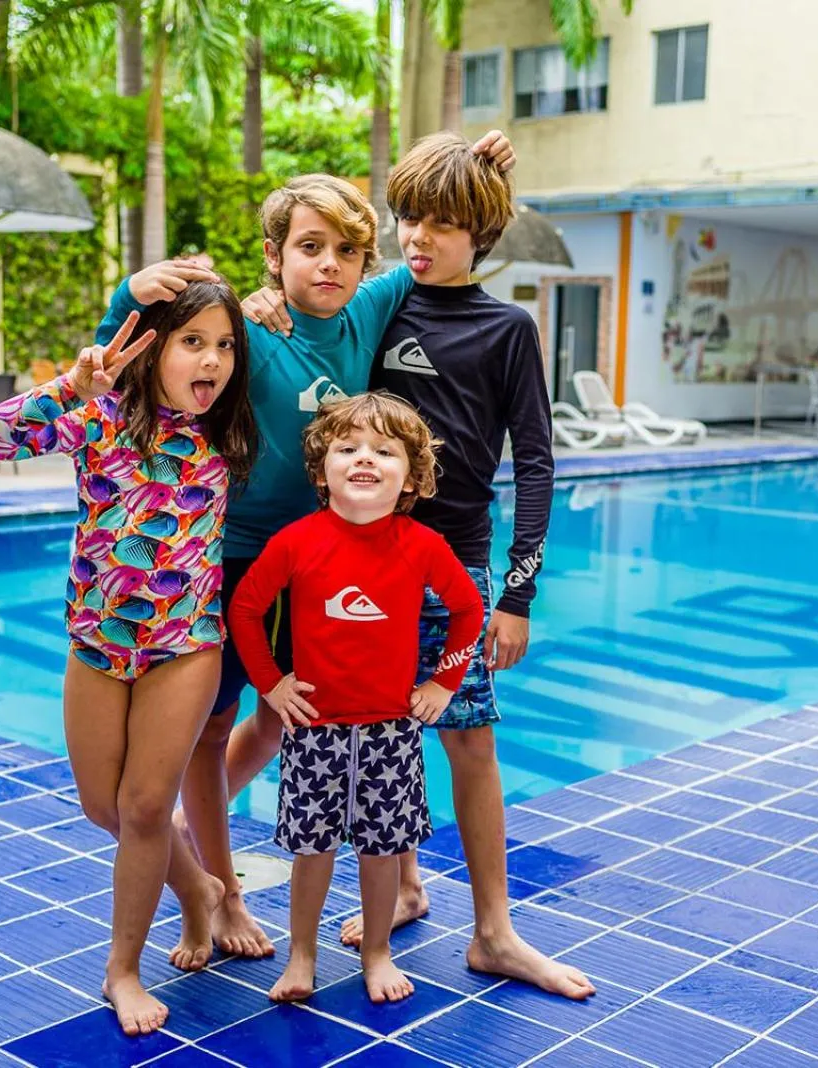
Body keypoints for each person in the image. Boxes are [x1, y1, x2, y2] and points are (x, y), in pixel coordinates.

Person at [94, 133, 515, 961]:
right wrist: (130, 296)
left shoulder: (371, 306)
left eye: (346, 252)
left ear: (365, 265)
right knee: (213, 728)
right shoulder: (248, 333)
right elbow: (135, 362)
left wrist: (482, 168)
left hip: (323, 563)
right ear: (274, 256)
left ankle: (213, 845)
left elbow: (443, 236)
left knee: (290, 714)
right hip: (232, 557)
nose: (329, 264)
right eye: (309, 247)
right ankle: (221, 890)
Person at [232, 132, 594, 999]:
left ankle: (495, 932)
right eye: (409, 220)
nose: (419, 238)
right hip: (348, 569)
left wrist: (517, 594)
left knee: (469, 739)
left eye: (443, 224)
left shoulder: (509, 329)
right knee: (351, 726)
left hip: (451, 566)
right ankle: (397, 886)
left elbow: (535, 463)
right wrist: (261, 299)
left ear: (482, 235)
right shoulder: (381, 305)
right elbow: (308, 311)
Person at [0, 268, 259, 1035]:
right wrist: (70, 386)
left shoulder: (230, 435)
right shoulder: (99, 419)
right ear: (155, 348)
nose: (212, 359)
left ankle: (123, 969)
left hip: (185, 647)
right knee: (104, 807)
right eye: (193, 341)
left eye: (225, 345)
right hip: (97, 643)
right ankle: (197, 888)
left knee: (145, 807)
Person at [227, 393, 483, 1004]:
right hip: (314, 728)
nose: (364, 459)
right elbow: (245, 609)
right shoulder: (296, 541)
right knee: (312, 850)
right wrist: (271, 683)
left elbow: (468, 610)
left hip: (392, 729)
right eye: (348, 448)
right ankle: (302, 954)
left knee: (382, 850)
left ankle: (377, 953)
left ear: (412, 478)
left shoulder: (422, 544)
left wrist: (443, 684)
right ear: (322, 472)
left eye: (384, 451)